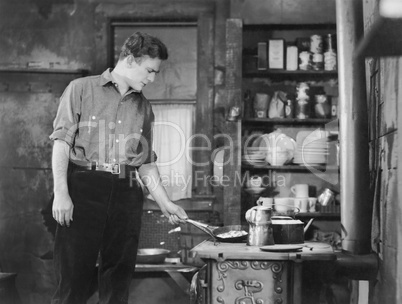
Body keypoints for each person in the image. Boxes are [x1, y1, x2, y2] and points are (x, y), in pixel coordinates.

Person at [49, 32, 188, 304]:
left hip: (126, 191)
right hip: (84, 187)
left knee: (118, 281)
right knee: (73, 281)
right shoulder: (80, 89)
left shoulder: (144, 107)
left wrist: (165, 203)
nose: (152, 78)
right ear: (130, 59)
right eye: (149, 70)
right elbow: (61, 144)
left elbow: (145, 164)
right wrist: (61, 193)